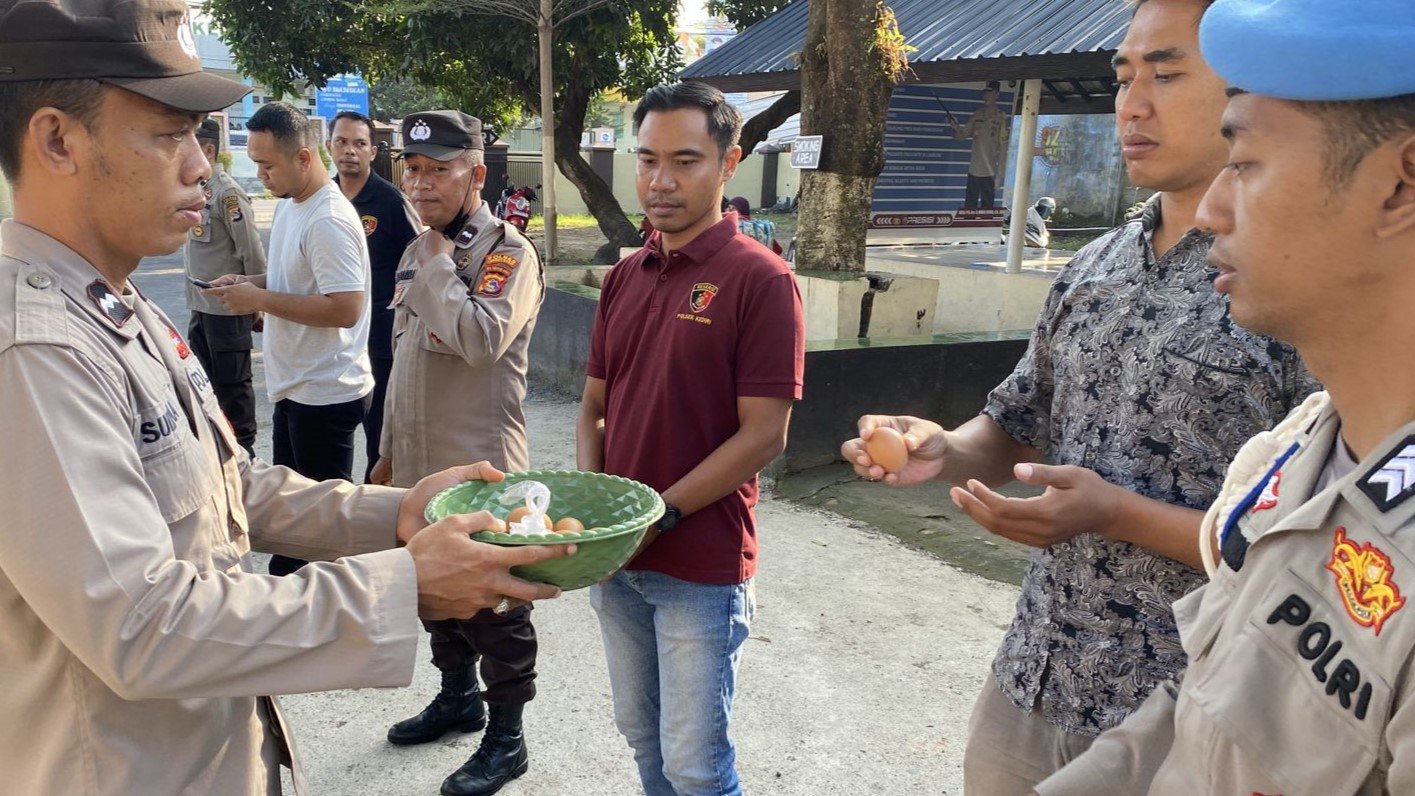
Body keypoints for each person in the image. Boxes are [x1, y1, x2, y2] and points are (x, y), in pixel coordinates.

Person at [0, 1, 571, 793]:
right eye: (170, 135)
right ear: (59, 139)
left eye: (199, 138)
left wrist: (395, 514)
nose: (203, 165)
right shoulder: (35, 348)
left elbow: (223, 487)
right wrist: (406, 580)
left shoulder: (115, 306)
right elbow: (142, 625)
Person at [842, 1, 1319, 791]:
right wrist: (942, 447)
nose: (1131, 103)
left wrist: (1115, 513)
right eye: (1124, 76)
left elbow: (1311, 544)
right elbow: (1016, 421)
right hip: (1034, 671)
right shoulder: (1093, 263)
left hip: (1190, 706)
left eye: (1165, 74)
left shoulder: (1293, 282)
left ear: (1246, 91)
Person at [1038, 1, 1415, 792]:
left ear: (1397, 184)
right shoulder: (1292, 454)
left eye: (1241, 162)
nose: (1210, 212)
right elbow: (1206, 711)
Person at [576, 82, 805, 796]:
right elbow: (591, 409)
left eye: (684, 161)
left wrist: (656, 516)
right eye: (646, 161)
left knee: (696, 763)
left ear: (728, 162)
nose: (659, 182)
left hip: (699, 566)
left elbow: (764, 435)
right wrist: (597, 516)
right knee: (641, 734)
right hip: (617, 560)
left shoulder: (760, 281)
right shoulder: (624, 274)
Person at [372, 110, 546, 796]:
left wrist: (443, 270)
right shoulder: (418, 251)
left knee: (497, 607)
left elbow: (480, 340)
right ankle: (457, 699)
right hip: (418, 464)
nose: (419, 183)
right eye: (411, 170)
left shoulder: (506, 254)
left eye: (438, 169)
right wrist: (386, 452)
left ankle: (507, 739)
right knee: (436, 592)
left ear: (474, 174)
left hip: (482, 468)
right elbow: (405, 358)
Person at [208, 101, 375, 576]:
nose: (259, 174)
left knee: (318, 532)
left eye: (267, 164)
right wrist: (249, 285)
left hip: (326, 393)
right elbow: (293, 278)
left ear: (303, 158)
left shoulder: (327, 218)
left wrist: (258, 301)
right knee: (291, 520)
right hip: (297, 388)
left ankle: (324, 626)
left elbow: (346, 308)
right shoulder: (293, 206)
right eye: (256, 163)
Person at [328, 110, 421, 483]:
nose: (350, 151)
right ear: (328, 147)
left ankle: (375, 516)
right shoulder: (324, 200)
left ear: (373, 151)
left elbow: (419, 261)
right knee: (333, 432)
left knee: (379, 437)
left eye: (359, 144)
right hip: (334, 341)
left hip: (380, 342)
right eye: (342, 142)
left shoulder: (391, 202)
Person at [183, 116, 265, 455]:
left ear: (208, 149)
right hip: (201, 309)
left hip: (227, 310)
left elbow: (252, 252)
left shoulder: (228, 194)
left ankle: (245, 454)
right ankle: (221, 451)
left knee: (234, 387)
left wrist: (258, 302)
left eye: (190, 145)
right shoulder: (196, 191)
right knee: (205, 387)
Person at [951, 80, 1009, 210]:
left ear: (997, 95)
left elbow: (1004, 149)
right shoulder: (977, 115)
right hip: (974, 171)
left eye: (990, 93)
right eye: (985, 94)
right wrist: (955, 127)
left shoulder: (1001, 119)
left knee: (986, 210)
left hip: (989, 173)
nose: (987, 97)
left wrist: (999, 176)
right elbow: (963, 134)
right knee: (969, 209)